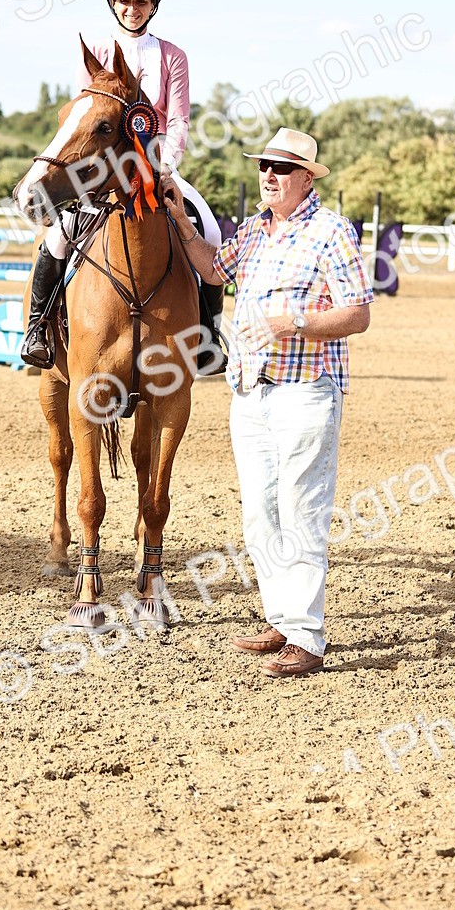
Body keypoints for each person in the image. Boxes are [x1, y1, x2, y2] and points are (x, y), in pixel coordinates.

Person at [161, 127, 373, 677]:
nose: (270, 175)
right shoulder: (254, 231)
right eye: (264, 166)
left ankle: (306, 637)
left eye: (282, 167)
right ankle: (283, 618)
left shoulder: (332, 232)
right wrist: (182, 222)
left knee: (302, 510)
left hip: (305, 392)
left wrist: (293, 322)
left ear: (307, 177)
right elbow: (213, 269)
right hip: (250, 391)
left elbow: (358, 314)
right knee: (259, 514)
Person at [21, 0, 226, 371]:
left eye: (141, 1)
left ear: (153, 7)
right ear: (114, 4)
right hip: (105, 166)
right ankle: (38, 328)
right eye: (126, 1)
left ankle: (207, 336)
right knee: (59, 236)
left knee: (211, 228)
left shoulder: (172, 55)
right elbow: (86, 115)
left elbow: (179, 117)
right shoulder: (95, 52)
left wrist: (166, 165)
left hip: (157, 163)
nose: (133, 8)